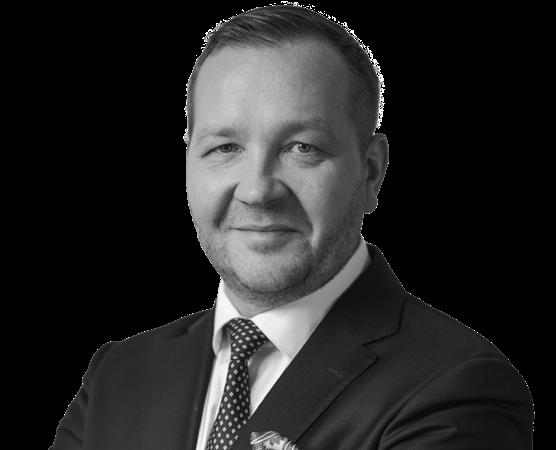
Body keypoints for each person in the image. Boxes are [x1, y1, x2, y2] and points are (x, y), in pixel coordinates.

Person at [51, 5, 533, 450]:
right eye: (225, 148)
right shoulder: (119, 373)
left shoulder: (456, 388)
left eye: (302, 148)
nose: (257, 190)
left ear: (370, 172)